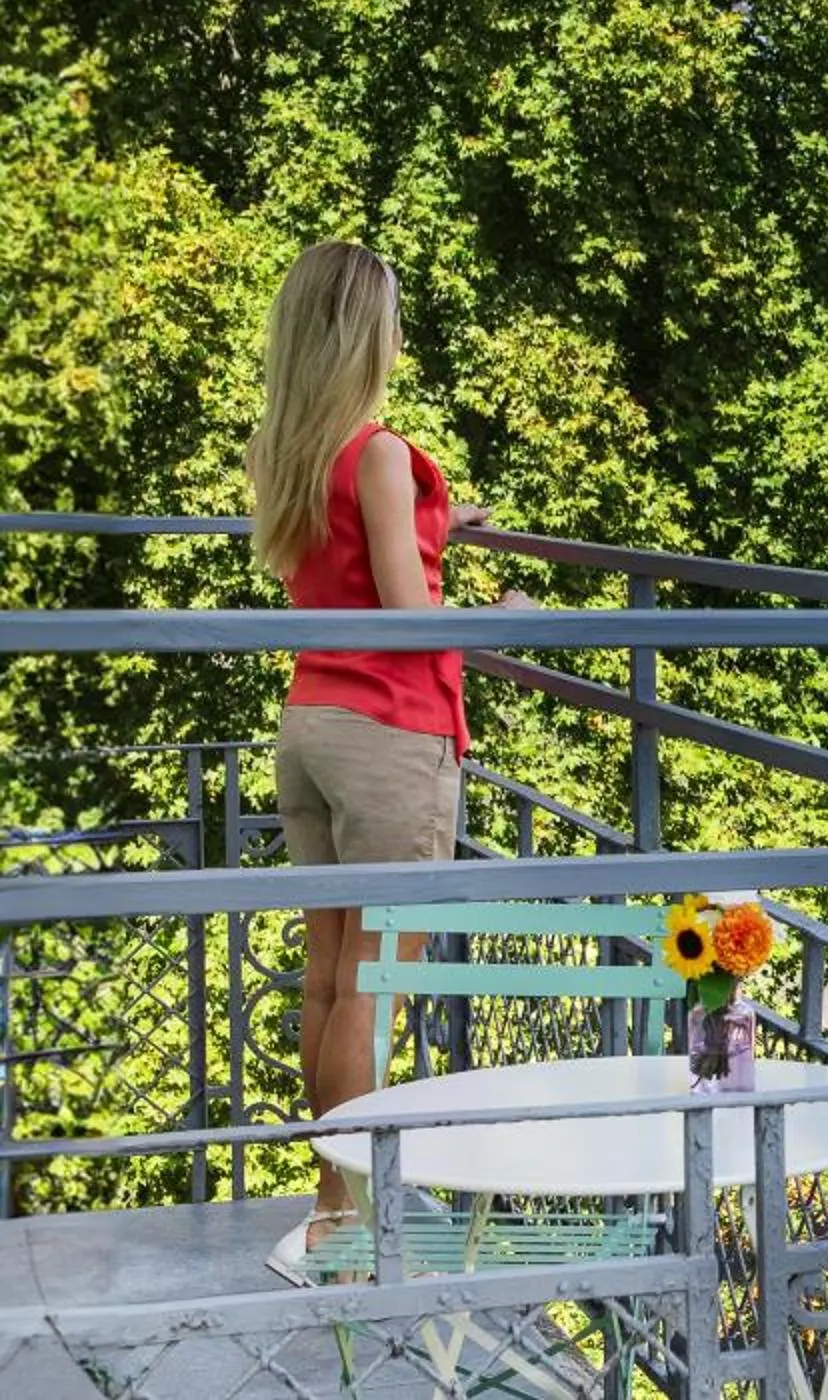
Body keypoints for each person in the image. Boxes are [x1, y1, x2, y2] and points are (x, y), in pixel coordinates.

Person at [246, 239, 516, 1252]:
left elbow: (350, 563)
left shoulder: (284, 453)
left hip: (310, 724)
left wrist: (440, 524)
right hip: (391, 735)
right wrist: (512, 618)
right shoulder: (381, 453)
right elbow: (408, 615)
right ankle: (348, 1217)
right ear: (370, 335)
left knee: (328, 978)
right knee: (370, 984)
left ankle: (328, 1207)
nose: (403, 337)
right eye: (395, 318)